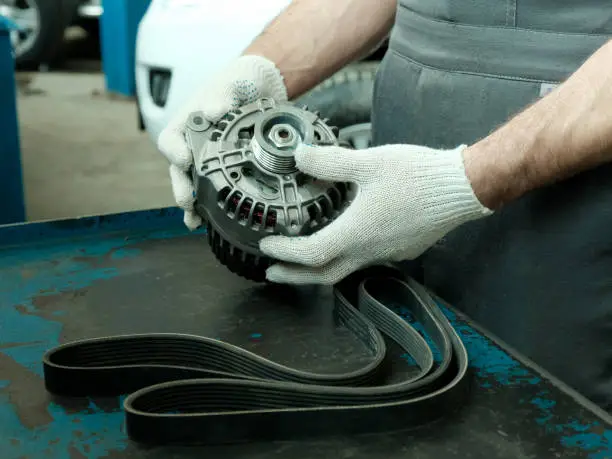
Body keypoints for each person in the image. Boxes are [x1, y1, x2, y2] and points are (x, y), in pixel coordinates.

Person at [157, 0, 612, 411]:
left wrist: (462, 180)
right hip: (403, 151)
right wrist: (263, 68)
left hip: (575, 178)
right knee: (408, 390)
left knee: (540, 415)